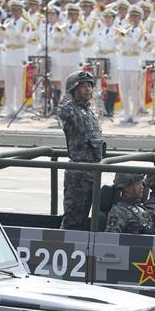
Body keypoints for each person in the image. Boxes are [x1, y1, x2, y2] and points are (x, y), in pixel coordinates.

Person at [59, 70, 104, 230]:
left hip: (93, 171)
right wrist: (69, 93)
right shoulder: (71, 109)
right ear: (73, 90)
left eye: (89, 86)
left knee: (85, 218)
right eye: (82, 86)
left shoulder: (88, 111)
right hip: (78, 174)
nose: (88, 89)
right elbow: (63, 111)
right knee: (73, 219)